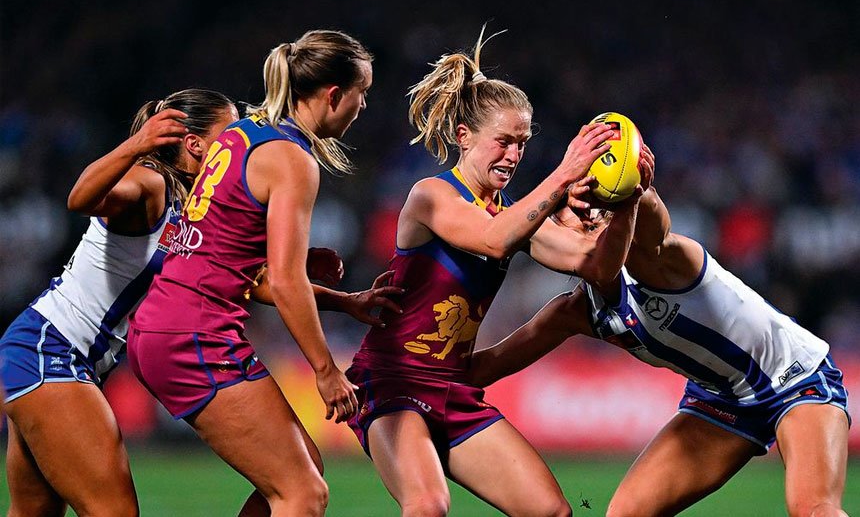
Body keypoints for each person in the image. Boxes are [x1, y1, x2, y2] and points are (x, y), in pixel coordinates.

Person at [470, 143, 851, 517]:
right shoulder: (576, 312)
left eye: (590, 212)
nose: (580, 219)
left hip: (796, 378)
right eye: (565, 216)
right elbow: (489, 366)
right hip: (722, 400)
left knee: (813, 509)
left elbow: (657, 231)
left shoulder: (652, 263)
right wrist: (416, 372)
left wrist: (639, 191)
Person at [345, 29, 624, 517]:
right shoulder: (430, 195)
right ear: (463, 136)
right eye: (504, 141)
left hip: (453, 387)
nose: (513, 155)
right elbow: (494, 239)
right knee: (428, 505)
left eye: (521, 144)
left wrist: (625, 204)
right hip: (393, 382)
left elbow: (596, 265)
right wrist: (562, 177)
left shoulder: (513, 213)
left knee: (552, 512)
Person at [127, 30, 375, 517]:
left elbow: (240, 262)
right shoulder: (292, 160)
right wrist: (325, 372)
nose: (363, 107)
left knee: (305, 473)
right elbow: (283, 282)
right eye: (362, 94)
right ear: (333, 95)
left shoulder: (242, 134)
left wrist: (341, 300)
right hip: (192, 334)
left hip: (171, 322)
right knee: (302, 494)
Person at [0, 88, 238, 517]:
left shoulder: (190, 205)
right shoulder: (150, 182)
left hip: (60, 356)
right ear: (194, 142)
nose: (237, 143)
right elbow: (80, 199)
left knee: (33, 513)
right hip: (53, 350)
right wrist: (136, 146)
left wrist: (334, 296)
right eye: (229, 131)